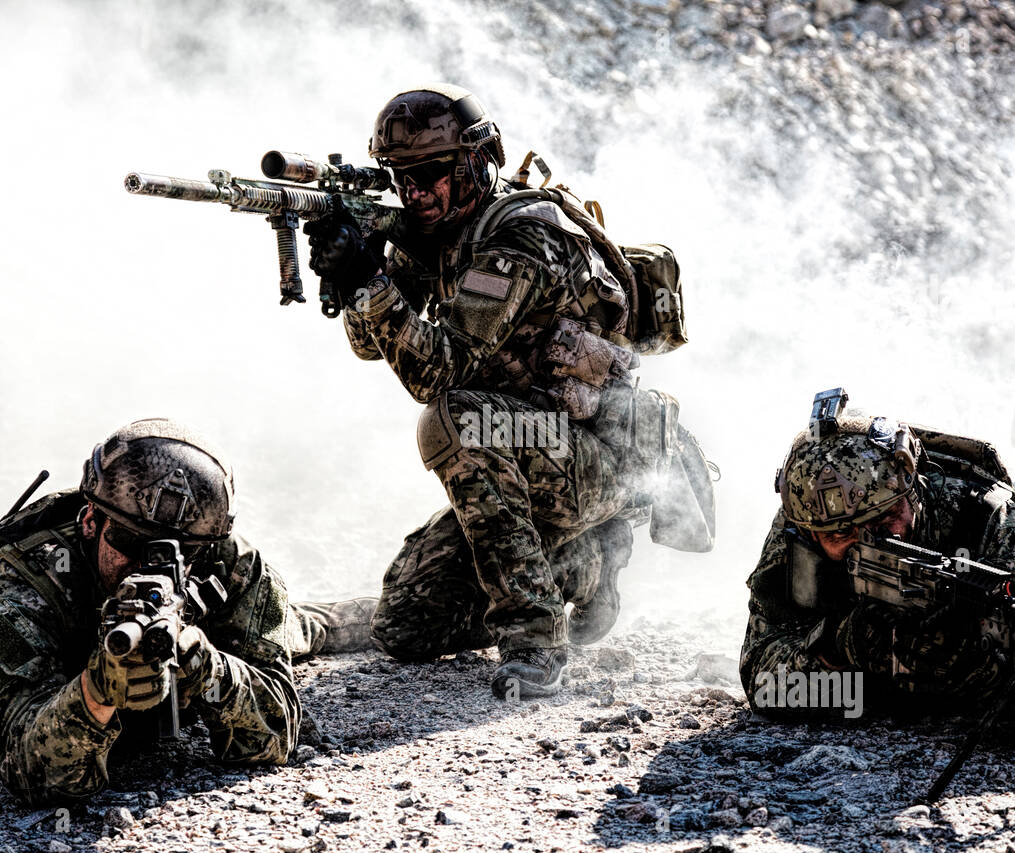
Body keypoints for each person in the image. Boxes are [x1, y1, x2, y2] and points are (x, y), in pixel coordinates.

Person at [305, 84, 714, 699]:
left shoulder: (520, 241)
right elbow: (374, 346)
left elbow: (435, 375)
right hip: (536, 448)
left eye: (430, 173)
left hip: (594, 449)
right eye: (400, 178)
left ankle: (535, 640)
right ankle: (583, 563)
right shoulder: (441, 230)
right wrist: (365, 277)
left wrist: (369, 278)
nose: (414, 192)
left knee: (454, 421)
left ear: (475, 160)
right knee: (406, 625)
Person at [0, 418, 375, 806]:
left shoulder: (228, 563)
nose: (148, 565)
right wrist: (97, 694)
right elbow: (27, 769)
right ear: (90, 522)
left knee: (298, 628)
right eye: (131, 543)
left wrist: (205, 666)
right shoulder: (21, 589)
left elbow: (276, 730)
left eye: (178, 552)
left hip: (190, 640)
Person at [740, 390, 1015, 739]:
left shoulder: (988, 519)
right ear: (811, 533)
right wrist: (838, 647)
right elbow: (762, 685)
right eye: (841, 535)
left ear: (912, 492)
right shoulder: (808, 516)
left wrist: (972, 670)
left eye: (886, 519)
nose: (869, 541)